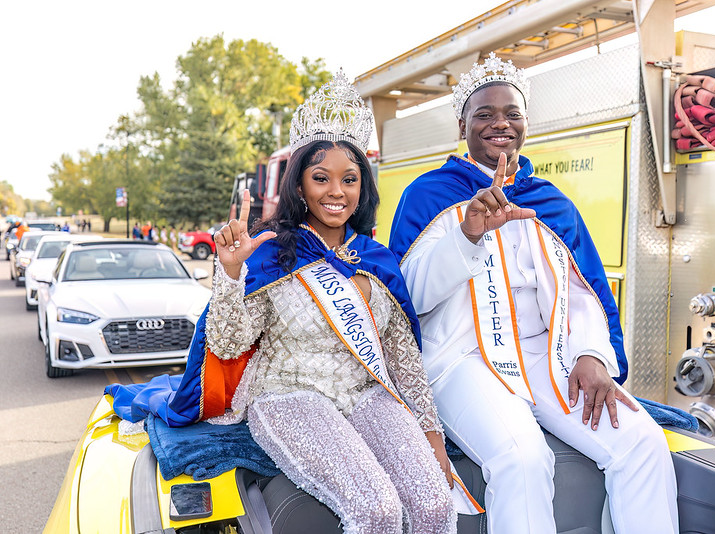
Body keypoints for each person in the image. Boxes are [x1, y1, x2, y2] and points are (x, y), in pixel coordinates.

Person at [106, 72, 456, 534]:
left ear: (362, 187)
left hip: (366, 395)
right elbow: (228, 344)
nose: (336, 191)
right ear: (298, 186)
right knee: (377, 512)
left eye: (349, 179)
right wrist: (230, 274)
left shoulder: (376, 259)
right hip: (289, 396)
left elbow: (403, 357)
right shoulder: (273, 251)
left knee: (435, 507)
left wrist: (431, 433)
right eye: (321, 178)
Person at [389, 53, 679, 534]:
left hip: (544, 355)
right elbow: (406, 303)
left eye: (512, 114)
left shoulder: (550, 200)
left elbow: (583, 294)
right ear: (462, 123)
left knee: (642, 442)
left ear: (526, 123)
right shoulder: (430, 194)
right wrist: (467, 236)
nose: (499, 124)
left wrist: (591, 355)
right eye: (484, 114)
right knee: (521, 457)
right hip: (462, 359)